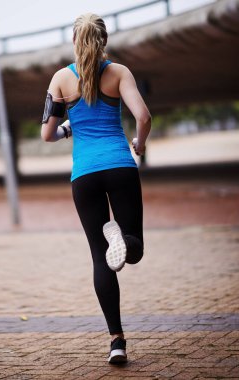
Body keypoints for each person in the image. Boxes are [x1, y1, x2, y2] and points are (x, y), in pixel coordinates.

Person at [41, 13, 151, 364]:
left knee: (100, 258)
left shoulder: (60, 79)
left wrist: (71, 128)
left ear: (75, 41)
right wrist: (140, 144)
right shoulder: (118, 73)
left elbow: (47, 134)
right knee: (134, 250)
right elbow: (144, 117)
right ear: (103, 40)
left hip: (84, 176)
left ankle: (116, 342)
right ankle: (125, 241)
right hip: (119, 166)